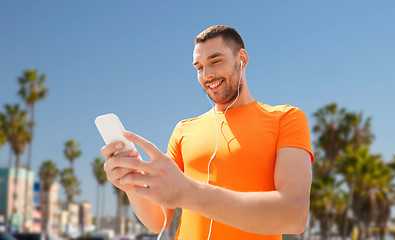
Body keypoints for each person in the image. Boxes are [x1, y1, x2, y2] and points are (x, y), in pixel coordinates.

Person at [101, 25, 314, 240]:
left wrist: (190, 194)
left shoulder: (286, 118)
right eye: (199, 67)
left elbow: (294, 214)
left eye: (215, 61)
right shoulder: (183, 130)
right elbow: (159, 221)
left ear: (242, 58)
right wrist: (130, 184)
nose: (207, 75)